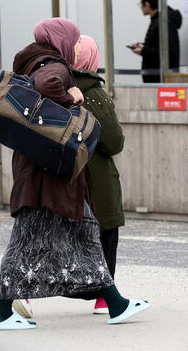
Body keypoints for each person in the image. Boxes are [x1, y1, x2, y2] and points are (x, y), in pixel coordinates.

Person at [0, 18, 149, 330]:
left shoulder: (30, 61)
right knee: (27, 241)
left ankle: (115, 304)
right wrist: (72, 96)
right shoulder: (53, 65)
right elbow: (48, 86)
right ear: (59, 41)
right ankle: (0, 312)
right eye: (72, 41)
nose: (75, 49)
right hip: (47, 174)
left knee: (83, 232)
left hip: (42, 169)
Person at [70, 35, 126, 314]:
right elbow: (114, 141)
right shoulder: (93, 93)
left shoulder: (56, 88)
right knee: (106, 233)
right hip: (97, 179)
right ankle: (104, 297)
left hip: (65, 178)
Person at [129, 0, 182, 82]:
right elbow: (158, 46)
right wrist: (143, 46)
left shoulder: (164, 22)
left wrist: (144, 51)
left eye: (141, 4)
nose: (140, 7)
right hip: (157, 79)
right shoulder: (158, 20)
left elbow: (168, 52)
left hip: (161, 81)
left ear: (147, 4)